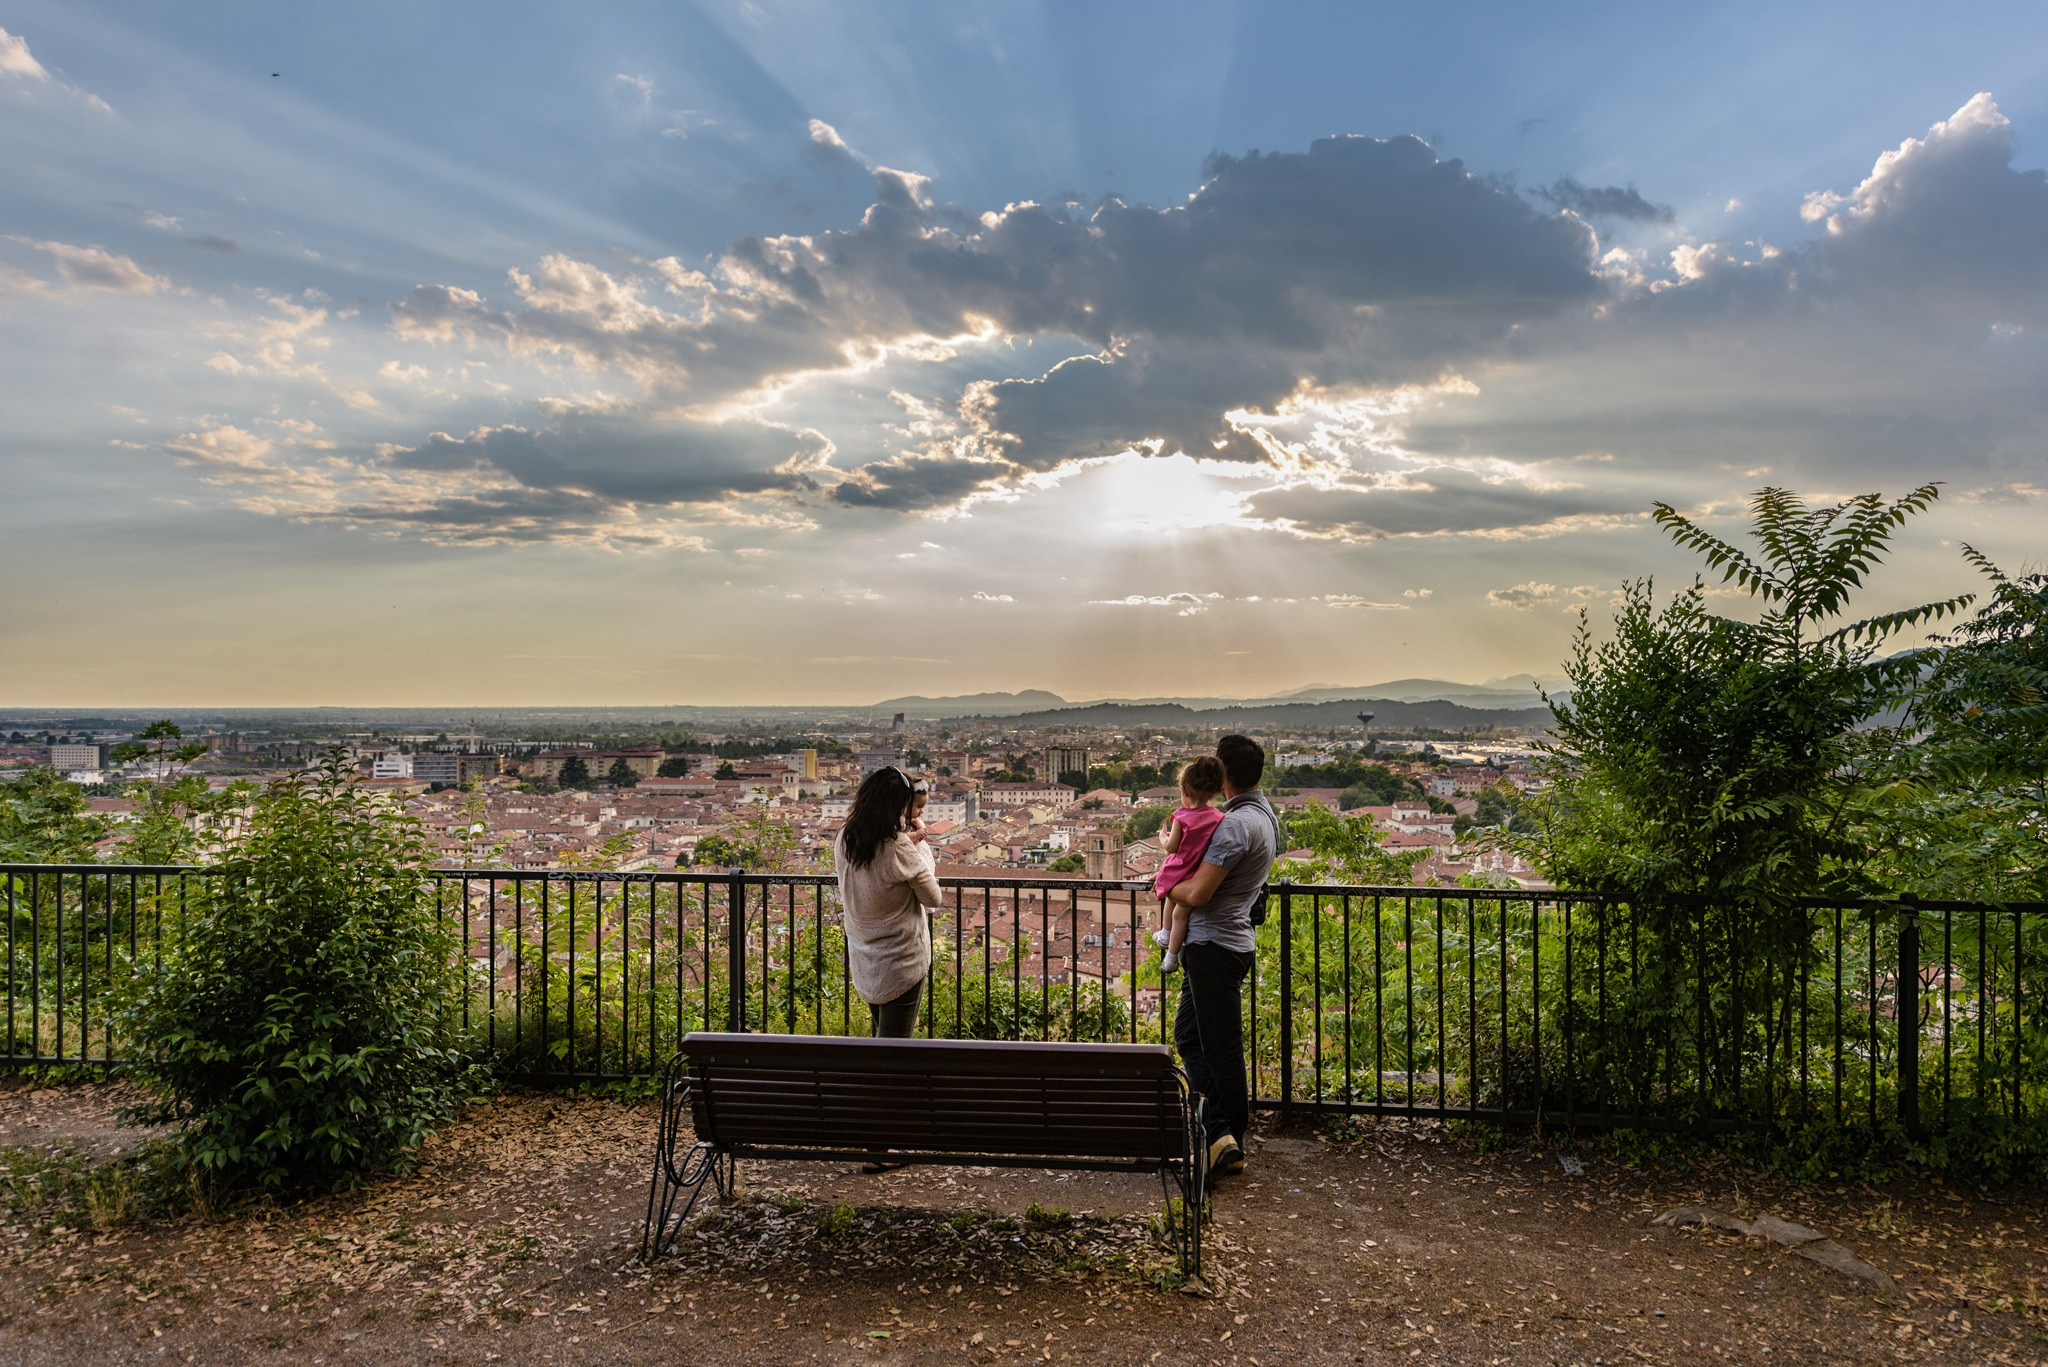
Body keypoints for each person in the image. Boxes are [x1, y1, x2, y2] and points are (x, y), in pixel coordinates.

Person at [1163, 734, 1277, 1180]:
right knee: (1193, 1038)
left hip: (1214, 946)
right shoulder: (1264, 817)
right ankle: (1220, 1133)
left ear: (1224, 774)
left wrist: (1163, 886)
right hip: (1228, 943)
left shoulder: (1234, 825)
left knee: (1219, 1047)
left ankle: (1226, 1137)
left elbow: (1198, 891)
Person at [834, 766, 942, 1041]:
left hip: (863, 954)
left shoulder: (846, 837)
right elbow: (933, 898)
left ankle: (876, 1081)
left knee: (881, 1033)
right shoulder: (898, 847)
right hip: (900, 960)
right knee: (895, 1044)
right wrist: (918, 848)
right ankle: (885, 1084)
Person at [1149, 757, 1227, 973]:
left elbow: (1171, 848)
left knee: (1170, 900)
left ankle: (1165, 934)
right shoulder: (1219, 818)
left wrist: (1162, 836)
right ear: (1213, 793)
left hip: (1180, 868)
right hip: (1199, 872)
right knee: (1181, 913)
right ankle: (1171, 958)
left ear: (1184, 790)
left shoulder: (1181, 818)